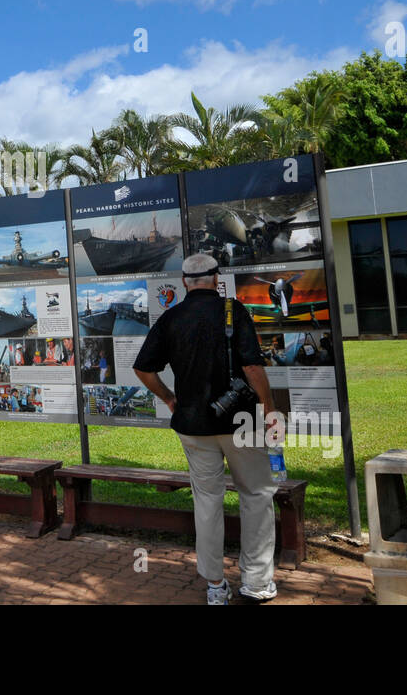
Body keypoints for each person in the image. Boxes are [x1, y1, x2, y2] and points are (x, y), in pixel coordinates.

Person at [133, 252, 281, 605]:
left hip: (193, 425)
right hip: (241, 423)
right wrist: (270, 410)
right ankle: (258, 583)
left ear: (185, 281)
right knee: (257, 495)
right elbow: (252, 369)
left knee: (208, 501)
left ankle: (216, 585)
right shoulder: (235, 310)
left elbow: (143, 369)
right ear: (217, 278)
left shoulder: (171, 318)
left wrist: (169, 397)